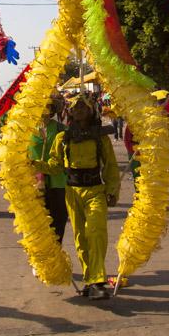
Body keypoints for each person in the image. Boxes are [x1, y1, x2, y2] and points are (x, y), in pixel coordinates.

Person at [34, 92, 119, 300]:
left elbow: (110, 166)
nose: (79, 109)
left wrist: (112, 190)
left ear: (91, 110)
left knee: (96, 232)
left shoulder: (100, 137)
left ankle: (98, 279)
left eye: (83, 106)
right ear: (70, 111)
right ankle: (91, 281)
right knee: (81, 237)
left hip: (95, 190)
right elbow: (54, 167)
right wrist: (32, 164)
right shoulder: (62, 138)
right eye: (75, 107)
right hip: (72, 192)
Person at [30, 96, 69, 243]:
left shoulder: (60, 128)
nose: (43, 109)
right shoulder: (27, 130)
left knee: (58, 222)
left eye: (47, 106)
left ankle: (56, 257)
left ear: (52, 109)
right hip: (34, 184)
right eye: (40, 105)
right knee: (38, 225)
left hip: (58, 182)